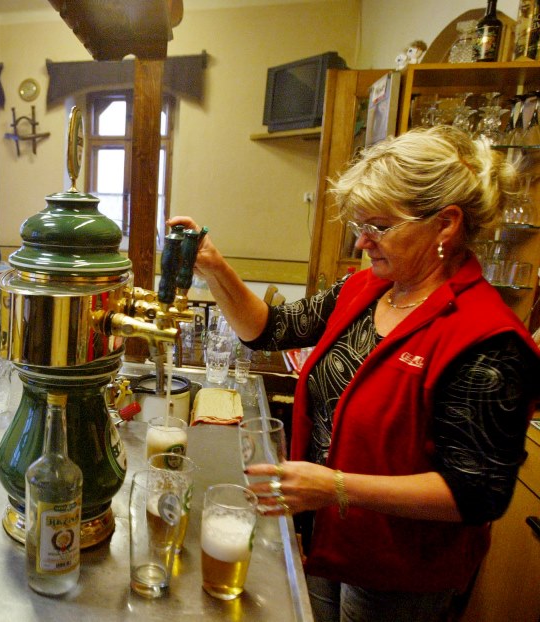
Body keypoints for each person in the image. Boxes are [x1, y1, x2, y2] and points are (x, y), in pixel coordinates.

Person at [172, 126, 540, 621]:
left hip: (400, 569)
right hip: (329, 539)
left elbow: (477, 493)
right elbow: (271, 329)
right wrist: (215, 268)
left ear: (446, 224)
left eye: (379, 226)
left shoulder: (487, 341)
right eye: (359, 224)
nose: (363, 240)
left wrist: (337, 487)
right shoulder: (367, 289)